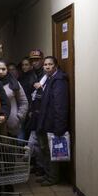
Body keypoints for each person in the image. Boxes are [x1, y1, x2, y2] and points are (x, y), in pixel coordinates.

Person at [35, 56, 69, 186]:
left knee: (52, 152)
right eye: (45, 64)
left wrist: (59, 126)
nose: (47, 66)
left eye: (50, 64)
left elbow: (60, 105)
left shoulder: (59, 80)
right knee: (45, 150)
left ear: (56, 66)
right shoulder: (49, 79)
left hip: (53, 122)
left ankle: (53, 177)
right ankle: (48, 174)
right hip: (45, 120)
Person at [0, 58, 28, 137]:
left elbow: (24, 102)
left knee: (13, 147)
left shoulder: (13, 82)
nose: (1, 71)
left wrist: (19, 117)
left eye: (3, 69)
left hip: (12, 124)